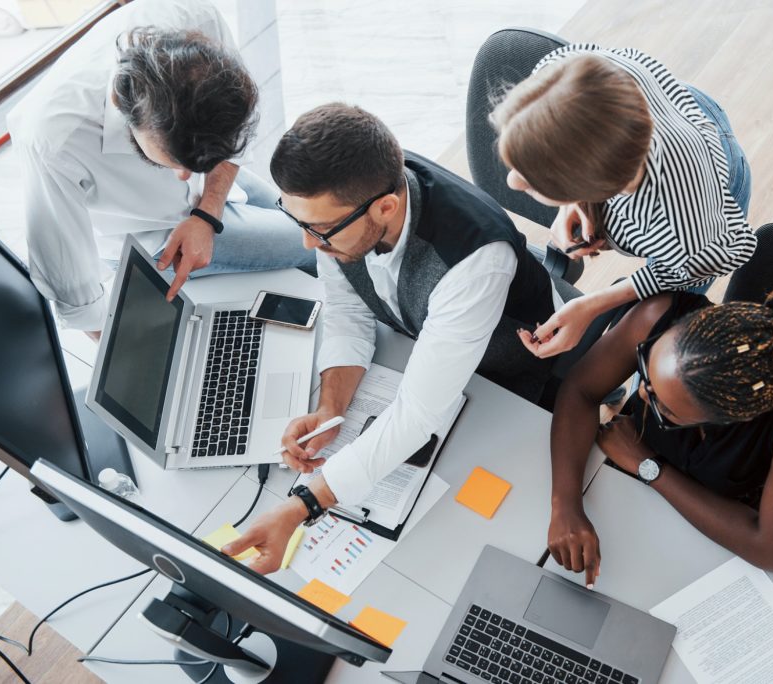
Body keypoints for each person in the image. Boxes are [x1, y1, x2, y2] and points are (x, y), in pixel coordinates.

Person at [223, 103, 563, 573]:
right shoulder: (351, 203)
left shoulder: (474, 257)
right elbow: (346, 308)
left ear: (386, 207)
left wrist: (301, 505)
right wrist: (331, 409)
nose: (308, 245)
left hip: (512, 372)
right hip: (423, 344)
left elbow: (420, 413)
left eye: (320, 231)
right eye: (299, 222)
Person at [7, 0, 315, 337]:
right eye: (169, 161)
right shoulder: (52, 141)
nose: (185, 175)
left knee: (321, 224)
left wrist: (208, 213)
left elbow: (236, 126)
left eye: (193, 164)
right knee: (319, 240)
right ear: (118, 104)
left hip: (219, 191)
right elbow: (70, 286)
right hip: (153, 236)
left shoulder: (195, 19)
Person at [547, 286, 773, 584]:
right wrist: (565, 505)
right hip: (626, 494)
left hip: (717, 531)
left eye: (666, 409)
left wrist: (649, 466)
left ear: (732, 418)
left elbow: (772, 552)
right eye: (647, 373)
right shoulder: (660, 312)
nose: (643, 397)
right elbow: (581, 389)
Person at [491, 44, 756, 358]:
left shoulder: (685, 230)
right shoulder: (564, 70)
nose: (512, 181)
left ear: (597, 184)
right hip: (674, 111)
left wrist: (593, 304)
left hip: (706, 195)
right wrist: (572, 203)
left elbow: (687, 268)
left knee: (664, 318)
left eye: (533, 179)